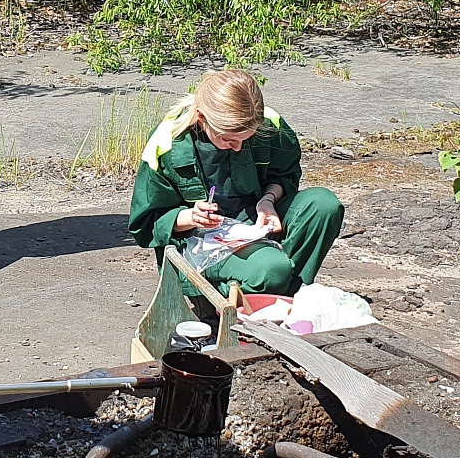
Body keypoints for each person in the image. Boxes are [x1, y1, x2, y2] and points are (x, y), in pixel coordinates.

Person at [127, 69, 345, 297]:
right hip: (202, 244)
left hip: (255, 227)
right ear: (202, 118)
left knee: (323, 205)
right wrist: (191, 217)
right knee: (272, 269)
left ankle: (278, 290)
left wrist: (268, 201)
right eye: (228, 139)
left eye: (246, 138)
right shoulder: (167, 142)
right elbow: (147, 223)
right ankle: (222, 294)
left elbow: (283, 176)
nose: (238, 147)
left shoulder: (269, 124)